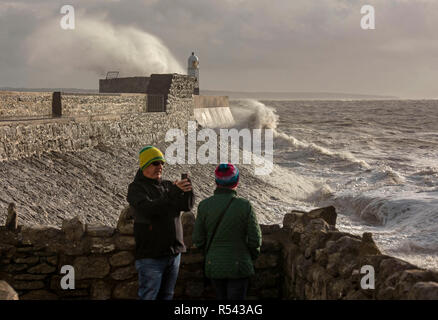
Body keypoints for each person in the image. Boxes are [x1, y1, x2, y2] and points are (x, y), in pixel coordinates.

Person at [127, 145, 194, 300]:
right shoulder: (136, 189)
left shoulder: (167, 186)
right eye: (155, 163)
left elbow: (186, 206)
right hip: (151, 256)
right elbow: (150, 209)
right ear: (144, 165)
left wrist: (188, 190)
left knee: (167, 296)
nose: (160, 167)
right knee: (149, 296)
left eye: (162, 163)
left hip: (173, 253)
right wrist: (173, 193)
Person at [192, 163, 262, 300]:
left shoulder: (204, 206)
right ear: (236, 181)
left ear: (216, 182)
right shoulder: (244, 206)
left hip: (214, 265)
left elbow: (198, 239)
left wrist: (211, 254)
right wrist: (250, 256)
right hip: (239, 266)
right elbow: (255, 240)